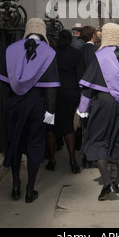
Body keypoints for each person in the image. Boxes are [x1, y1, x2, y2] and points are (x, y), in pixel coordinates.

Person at [0, 18, 60, 203]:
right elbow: (51, 86)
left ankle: (15, 185)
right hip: (37, 104)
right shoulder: (49, 52)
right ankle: (30, 190)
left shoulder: (12, 49)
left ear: (27, 31)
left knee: (15, 142)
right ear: (43, 32)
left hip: (14, 102)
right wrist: (51, 110)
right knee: (35, 144)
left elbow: (2, 79)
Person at [77, 22, 119, 201]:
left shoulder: (99, 55)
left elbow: (88, 86)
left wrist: (83, 108)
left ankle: (107, 183)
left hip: (102, 104)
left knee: (98, 140)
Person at [46, 29, 85, 173]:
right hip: (70, 92)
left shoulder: (51, 53)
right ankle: (73, 159)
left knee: (50, 127)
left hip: (53, 92)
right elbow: (80, 75)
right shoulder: (76, 53)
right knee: (69, 126)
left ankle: (51, 159)